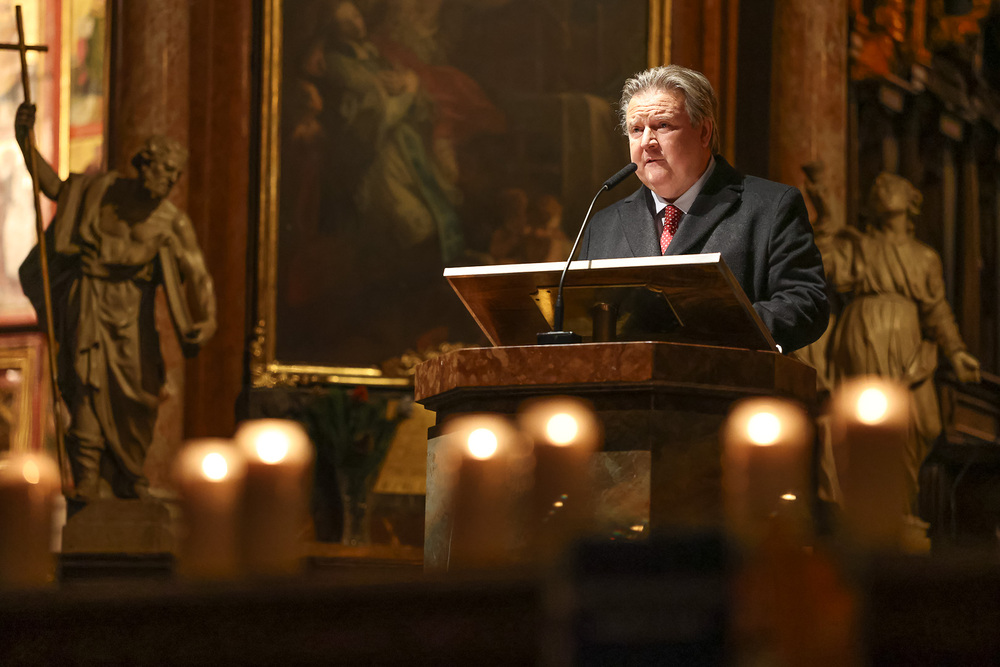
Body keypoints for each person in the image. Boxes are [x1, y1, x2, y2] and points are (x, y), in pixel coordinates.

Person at [14, 103, 216, 505]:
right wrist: (25, 141)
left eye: (175, 175)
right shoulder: (98, 192)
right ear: (144, 164)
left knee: (140, 395)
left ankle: (130, 474)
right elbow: (53, 187)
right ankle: (88, 478)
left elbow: (198, 275)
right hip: (90, 303)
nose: (169, 181)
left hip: (134, 317)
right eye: (164, 170)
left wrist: (207, 319)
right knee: (86, 388)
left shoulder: (171, 221)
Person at [579, 65, 829, 353]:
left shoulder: (770, 207)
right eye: (636, 130)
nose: (647, 142)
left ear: (704, 132)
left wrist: (716, 332)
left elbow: (806, 302)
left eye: (663, 126)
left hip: (730, 376)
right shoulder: (603, 225)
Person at [827, 172, 980, 511]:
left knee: (924, 423)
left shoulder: (924, 257)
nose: (880, 187)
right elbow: (826, 267)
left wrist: (956, 351)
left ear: (911, 201)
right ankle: (872, 511)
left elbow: (936, 309)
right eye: (876, 187)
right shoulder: (859, 246)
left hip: (908, 338)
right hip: (865, 333)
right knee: (868, 420)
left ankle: (897, 507)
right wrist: (824, 218)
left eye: (890, 185)